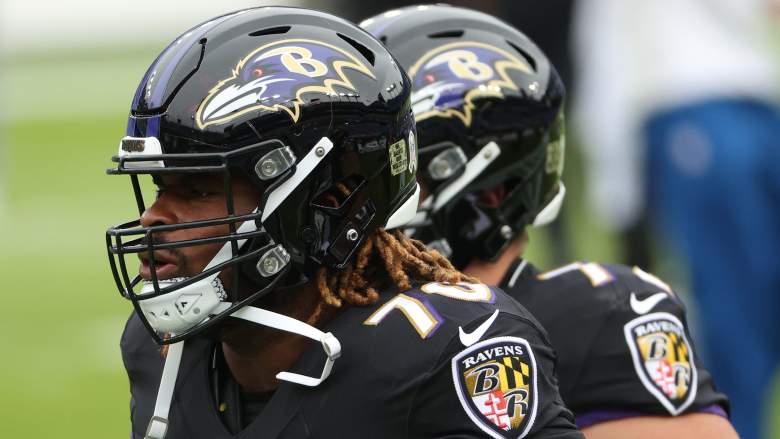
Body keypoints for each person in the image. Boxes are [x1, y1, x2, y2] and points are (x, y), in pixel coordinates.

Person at [106, 7, 584, 439]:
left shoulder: (447, 348)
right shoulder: (163, 354)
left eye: (199, 190)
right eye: (159, 189)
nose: (154, 219)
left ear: (327, 203)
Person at [361, 4, 737, 438]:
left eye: (394, 173)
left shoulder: (597, 317)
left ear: (487, 191)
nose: (357, 199)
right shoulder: (341, 333)